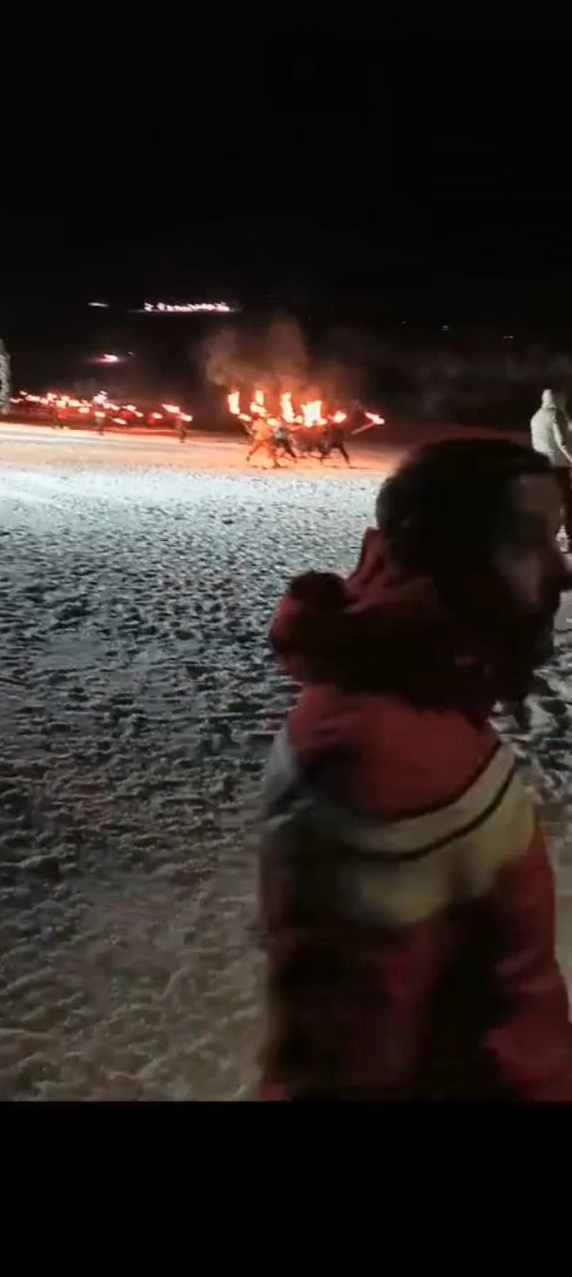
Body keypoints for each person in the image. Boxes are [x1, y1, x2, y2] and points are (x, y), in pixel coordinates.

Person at [260, 438, 572, 1100]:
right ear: (454, 560)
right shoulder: (379, 765)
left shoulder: (424, 701)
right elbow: (341, 1076)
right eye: (529, 541)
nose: (562, 570)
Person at [531, 388, 572, 546]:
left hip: (542, 465)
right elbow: (562, 441)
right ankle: (567, 535)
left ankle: (546, 535)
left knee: (547, 501)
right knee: (566, 500)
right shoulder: (557, 415)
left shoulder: (536, 417)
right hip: (558, 464)